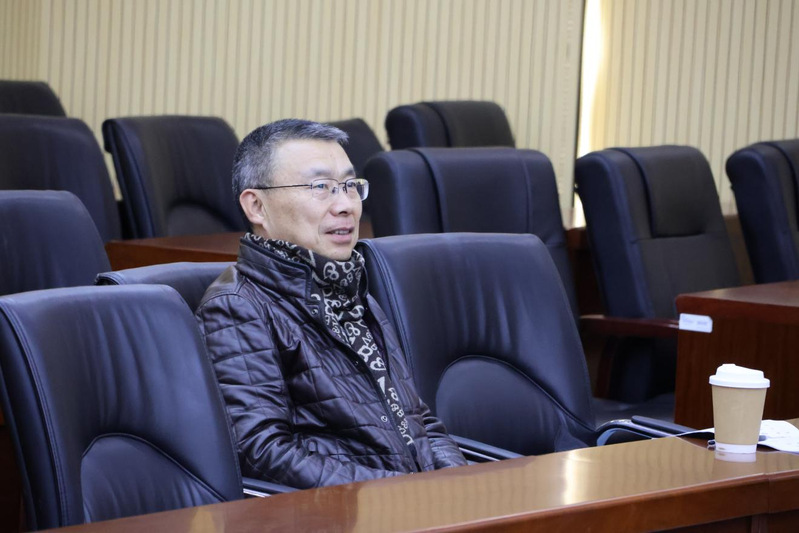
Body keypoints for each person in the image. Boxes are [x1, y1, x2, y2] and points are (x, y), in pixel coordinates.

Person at [196, 119, 466, 489]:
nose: (346, 206)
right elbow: (261, 451)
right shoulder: (237, 307)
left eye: (350, 186)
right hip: (346, 509)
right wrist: (400, 492)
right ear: (256, 206)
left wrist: (457, 483)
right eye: (321, 187)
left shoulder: (349, 289)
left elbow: (417, 420)